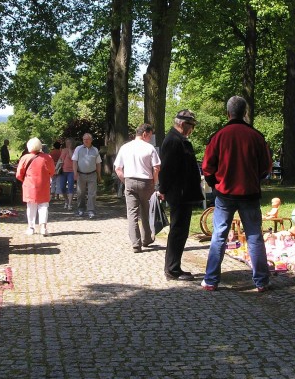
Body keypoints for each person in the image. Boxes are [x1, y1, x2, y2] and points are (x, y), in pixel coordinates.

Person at [201, 96, 272, 292]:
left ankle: (211, 280)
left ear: (228, 113)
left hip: (225, 194)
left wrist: (215, 183)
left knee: (219, 236)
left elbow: (207, 167)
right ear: (245, 113)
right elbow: (266, 167)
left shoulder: (218, 136)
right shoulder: (256, 136)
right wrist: (255, 179)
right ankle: (262, 281)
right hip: (249, 193)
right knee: (254, 236)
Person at [159, 110, 204, 281]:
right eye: (192, 126)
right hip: (179, 194)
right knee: (177, 231)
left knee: (181, 231)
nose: (192, 129)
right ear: (183, 124)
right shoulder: (173, 140)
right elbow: (167, 169)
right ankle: (172, 269)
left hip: (184, 193)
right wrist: (163, 189)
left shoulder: (179, 140)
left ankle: (174, 267)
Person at [114, 124, 161, 253]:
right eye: (150, 136)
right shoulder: (149, 148)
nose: (150, 139)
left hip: (129, 180)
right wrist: (154, 182)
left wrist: (125, 181)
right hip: (146, 182)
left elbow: (118, 168)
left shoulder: (125, 147)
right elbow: (156, 167)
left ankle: (136, 243)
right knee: (146, 211)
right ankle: (146, 239)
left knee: (132, 213)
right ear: (145, 134)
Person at [16, 138, 55, 236]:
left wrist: (25, 180)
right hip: (43, 185)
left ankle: (31, 227)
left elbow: (19, 174)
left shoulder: (25, 158)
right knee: (43, 206)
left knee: (30, 207)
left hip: (29, 185)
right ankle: (43, 228)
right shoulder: (47, 157)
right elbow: (52, 171)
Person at [72, 133, 102, 218]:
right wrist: (75, 173)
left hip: (92, 174)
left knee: (92, 193)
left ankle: (91, 210)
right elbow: (74, 161)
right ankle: (81, 209)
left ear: (91, 140)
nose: (85, 141)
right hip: (81, 174)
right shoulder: (78, 149)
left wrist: (99, 175)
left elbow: (98, 163)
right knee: (80, 193)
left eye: (87, 139)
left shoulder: (95, 150)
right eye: (84, 139)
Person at [59, 138, 76, 210]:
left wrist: (69, 149)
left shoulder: (75, 150)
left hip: (71, 171)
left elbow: (72, 158)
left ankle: (70, 204)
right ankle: (66, 200)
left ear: (72, 143)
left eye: (69, 143)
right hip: (63, 171)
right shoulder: (63, 150)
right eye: (66, 143)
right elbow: (61, 159)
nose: (67, 144)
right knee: (62, 187)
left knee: (70, 187)